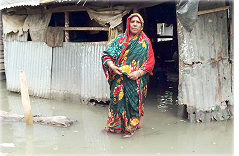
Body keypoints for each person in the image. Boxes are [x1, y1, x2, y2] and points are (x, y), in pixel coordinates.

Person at [101, 13, 155, 138]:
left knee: (133, 103)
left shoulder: (145, 42)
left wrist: (138, 73)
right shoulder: (119, 40)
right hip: (118, 79)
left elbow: (150, 63)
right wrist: (112, 66)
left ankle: (130, 128)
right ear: (128, 23)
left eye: (138, 22)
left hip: (135, 80)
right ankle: (114, 126)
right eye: (132, 21)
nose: (135, 24)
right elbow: (106, 55)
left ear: (141, 25)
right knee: (115, 102)